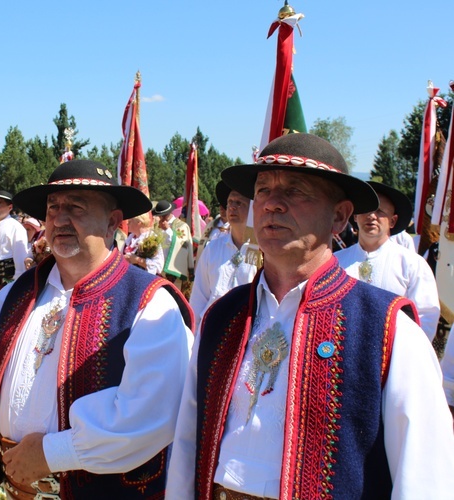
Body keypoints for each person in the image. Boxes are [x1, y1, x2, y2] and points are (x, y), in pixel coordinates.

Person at [167, 133, 454, 499]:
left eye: (296, 190)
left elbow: (425, 479)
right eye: (264, 190)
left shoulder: (389, 330)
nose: (272, 204)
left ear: (339, 216)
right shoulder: (222, 318)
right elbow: (189, 439)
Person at [0, 159, 193, 498]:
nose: (60, 219)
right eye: (53, 208)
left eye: (76, 208)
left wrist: (52, 453)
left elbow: (150, 415)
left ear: (112, 222)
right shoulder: (19, 293)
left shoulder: (149, 304)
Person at [336, 181, 440, 340]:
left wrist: (405, 355)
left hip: (392, 355)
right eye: (366, 210)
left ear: (392, 221)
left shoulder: (412, 264)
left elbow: (426, 316)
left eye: (380, 211)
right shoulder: (336, 262)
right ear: (355, 216)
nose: (371, 216)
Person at [189, 183, 258, 333]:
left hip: (245, 332)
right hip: (212, 329)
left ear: (253, 208)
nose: (232, 207)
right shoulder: (213, 248)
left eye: (239, 203)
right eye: (230, 202)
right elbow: (198, 298)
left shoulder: (260, 251)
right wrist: (194, 335)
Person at [0, 190, 29, 304]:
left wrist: (17, 282)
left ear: (10, 207)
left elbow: (21, 257)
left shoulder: (16, 227)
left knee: (4, 314)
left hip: (7, 279)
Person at [153, 200, 195, 298]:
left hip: (174, 271)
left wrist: (168, 230)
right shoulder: (157, 226)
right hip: (159, 269)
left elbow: (183, 245)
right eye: (159, 215)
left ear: (169, 213)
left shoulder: (182, 226)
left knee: (174, 297)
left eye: (163, 215)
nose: (161, 218)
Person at [200, 181, 231, 248]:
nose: (222, 210)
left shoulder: (234, 227)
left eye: (224, 208)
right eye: (221, 207)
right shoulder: (211, 225)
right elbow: (203, 243)